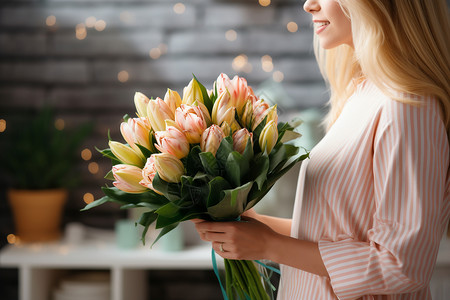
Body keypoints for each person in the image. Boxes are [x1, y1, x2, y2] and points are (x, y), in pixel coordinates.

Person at [193, 0, 450, 299]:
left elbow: (401, 266)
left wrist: (269, 246)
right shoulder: (363, 92)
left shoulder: (407, 107)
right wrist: (254, 226)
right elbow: (340, 231)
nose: (308, 5)